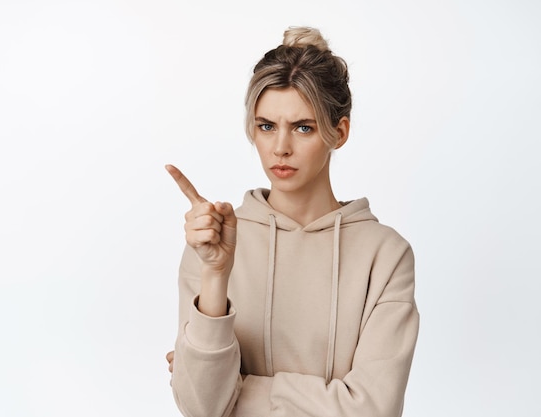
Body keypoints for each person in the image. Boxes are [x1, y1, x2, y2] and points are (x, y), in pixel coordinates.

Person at [164, 26, 419, 417]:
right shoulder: (212, 241)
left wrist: (240, 392)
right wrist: (215, 274)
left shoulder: (385, 256)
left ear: (339, 131)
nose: (280, 147)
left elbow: (372, 410)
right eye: (267, 126)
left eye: (303, 127)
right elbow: (202, 408)